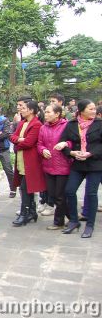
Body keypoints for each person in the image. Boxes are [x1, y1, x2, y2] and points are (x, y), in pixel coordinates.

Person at [58, 99, 102, 238]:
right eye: (90, 109)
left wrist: (91, 153)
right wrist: (71, 152)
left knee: (91, 193)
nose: (94, 111)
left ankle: (90, 225)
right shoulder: (71, 125)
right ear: (81, 110)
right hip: (78, 164)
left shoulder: (99, 124)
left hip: (95, 164)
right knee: (69, 191)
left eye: (94, 109)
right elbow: (62, 142)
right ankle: (73, 221)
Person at [10, 100, 45, 227]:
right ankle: (32, 212)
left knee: (25, 187)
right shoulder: (22, 123)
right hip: (21, 158)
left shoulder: (36, 124)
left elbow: (29, 143)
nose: (21, 109)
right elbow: (12, 136)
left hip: (30, 160)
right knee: (25, 187)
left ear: (31, 110)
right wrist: (19, 139)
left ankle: (24, 213)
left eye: (24, 108)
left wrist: (18, 140)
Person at [37, 104, 71, 230]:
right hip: (48, 165)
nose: (45, 114)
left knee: (60, 195)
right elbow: (39, 144)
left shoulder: (66, 125)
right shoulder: (43, 128)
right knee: (52, 194)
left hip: (62, 165)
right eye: (45, 112)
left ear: (57, 114)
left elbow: (73, 141)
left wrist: (65, 143)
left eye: (48, 112)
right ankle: (73, 217)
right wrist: (43, 150)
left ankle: (58, 222)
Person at [0, 101, 15, 198]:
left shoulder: (4, 120)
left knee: (8, 169)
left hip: (3, 149)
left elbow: (6, 133)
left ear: (0, 108)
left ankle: (13, 189)